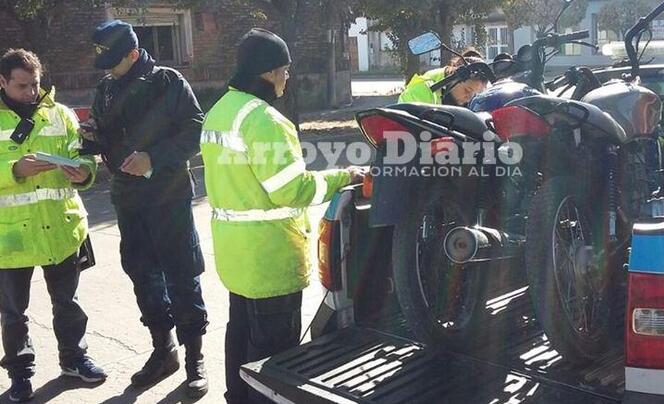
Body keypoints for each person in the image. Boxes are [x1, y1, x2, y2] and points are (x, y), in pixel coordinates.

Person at [200, 28, 364, 403]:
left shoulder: (220, 111)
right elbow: (293, 189)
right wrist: (344, 176)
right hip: (270, 257)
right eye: (285, 70)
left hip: (236, 255)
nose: (288, 77)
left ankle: (237, 398)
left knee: (239, 333)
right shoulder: (265, 120)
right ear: (269, 72)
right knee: (273, 357)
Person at [80, 20, 209, 398]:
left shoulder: (167, 82)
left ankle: (195, 359)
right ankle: (163, 350)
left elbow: (195, 130)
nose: (108, 68)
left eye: (114, 61)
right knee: (142, 276)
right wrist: (90, 140)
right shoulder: (106, 87)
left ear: (133, 54)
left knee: (182, 276)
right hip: (128, 199)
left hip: (168, 198)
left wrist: (153, 157)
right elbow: (104, 133)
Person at [0, 49, 106, 402]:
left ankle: (75, 360)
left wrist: (84, 172)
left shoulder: (61, 115)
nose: (31, 92)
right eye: (22, 86)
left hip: (61, 228)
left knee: (68, 303)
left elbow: (84, 156)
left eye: (36, 84)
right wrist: (15, 170)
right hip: (10, 237)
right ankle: (20, 376)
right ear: (2, 82)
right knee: (14, 314)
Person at [398, 47, 489, 106]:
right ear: (453, 76)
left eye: (475, 93)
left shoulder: (464, 98)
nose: (470, 97)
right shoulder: (422, 90)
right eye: (467, 90)